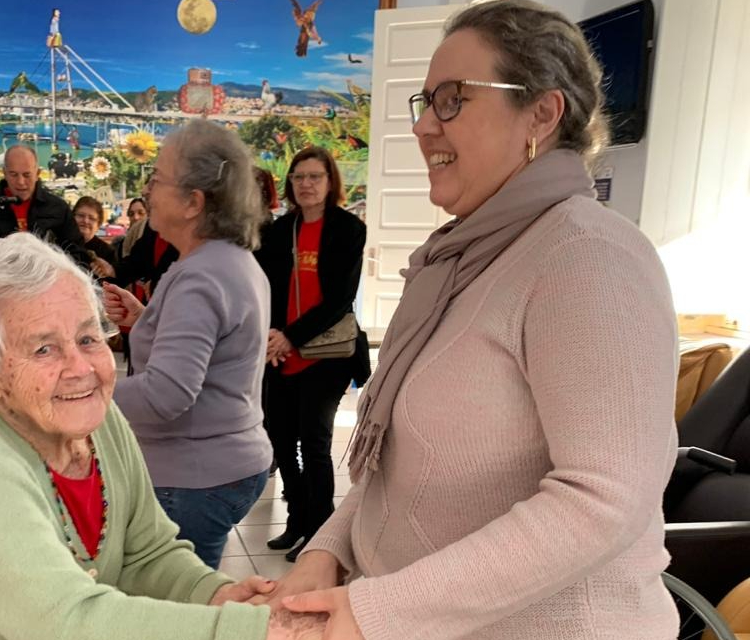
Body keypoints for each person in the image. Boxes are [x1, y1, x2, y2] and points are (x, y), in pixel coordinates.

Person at [265, 2, 680, 639]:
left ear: (542, 112)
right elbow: (399, 473)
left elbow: (604, 500)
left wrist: (377, 610)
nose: (425, 126)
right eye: (426, 102)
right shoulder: (459, 263)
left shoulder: (587, 256)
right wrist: (329, 552)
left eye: (454, 99)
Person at [0, 233, 327, 640]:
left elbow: (148, 551)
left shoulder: (97, 420)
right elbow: (67, 623)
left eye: (88, 339)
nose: (80, 369)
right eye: (44, 349)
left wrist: (215, 593)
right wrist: (265, 629)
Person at [103, 119, 274, 570]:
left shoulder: (201, 275)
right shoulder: (230, 261)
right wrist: (146, 321)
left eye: (157, 180)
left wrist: (84, 392)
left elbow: (166, 393)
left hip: (193, 475)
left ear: (193, 202)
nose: (148, 191)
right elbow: (217, 350)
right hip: (231, 458)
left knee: (177, 611)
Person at [256, 147, 369, 563]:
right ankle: (297, 521)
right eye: (299, 176)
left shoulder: (348, 229)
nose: (306, 184)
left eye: (315, 176)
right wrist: (272, 336)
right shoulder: (278, 230)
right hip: (281, 353)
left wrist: (290, 336)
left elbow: (339, 299)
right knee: (283, 443)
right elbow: (264, 287)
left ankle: (322, 535)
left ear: (330, 182)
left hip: (327, 354)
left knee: (314, 442)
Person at [0, 145, 90, 267]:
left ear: (37, 174)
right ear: (4, 173)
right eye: (13, 175)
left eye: (27, 175)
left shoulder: (58, 208)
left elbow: (78, 255)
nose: (21, 182)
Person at [71, 196, 116, 278]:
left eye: (91, 218)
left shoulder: (108, 252)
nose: (85, 221)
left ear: (98, 225)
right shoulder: (62, 243)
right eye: (81, 215)